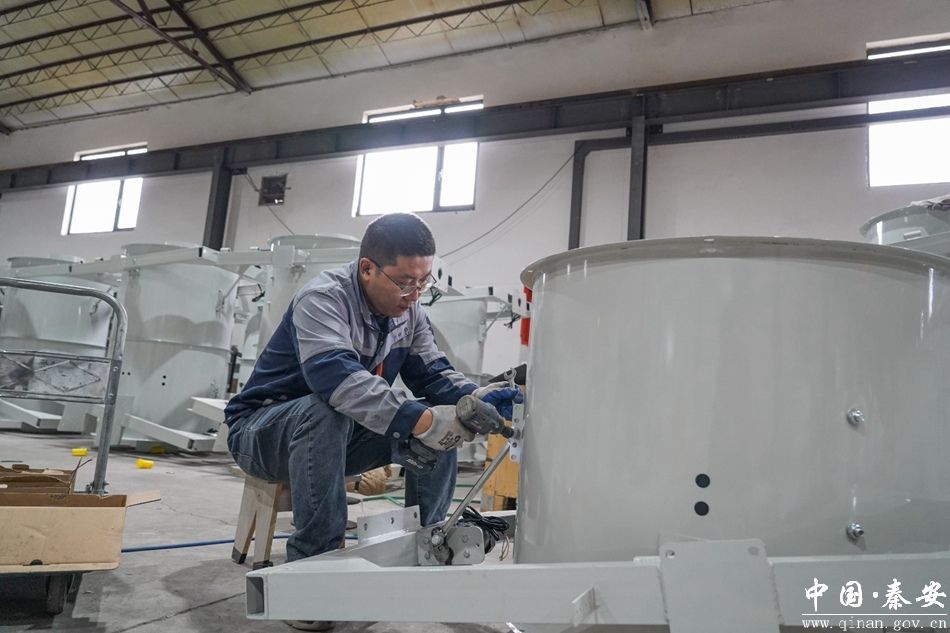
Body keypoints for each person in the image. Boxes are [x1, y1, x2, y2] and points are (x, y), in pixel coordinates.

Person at [225, 212, 521, 569]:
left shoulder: (410, 314)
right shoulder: (323, 299)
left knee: (447, 420)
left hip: (338, 437)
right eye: (405, 282)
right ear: (367, 269)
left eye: (423, 282)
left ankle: (430, 543)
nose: (415, 295)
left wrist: (475, 398)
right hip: (261, 434)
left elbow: (434, 374)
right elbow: (338, 382)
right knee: (325, 411)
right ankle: (315, 562)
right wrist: (424, 421)